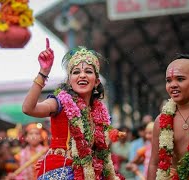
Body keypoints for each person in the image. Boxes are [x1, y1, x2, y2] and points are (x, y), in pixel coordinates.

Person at [22, 38, 125, 179]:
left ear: (96, 81)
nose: (82, 75)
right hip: (59, 172)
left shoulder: (99, 113)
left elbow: (99, 151)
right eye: (76, 72)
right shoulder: (59, 103)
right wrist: (43, 72)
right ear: (69, 81)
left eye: (88, 71)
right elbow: (28, 108)